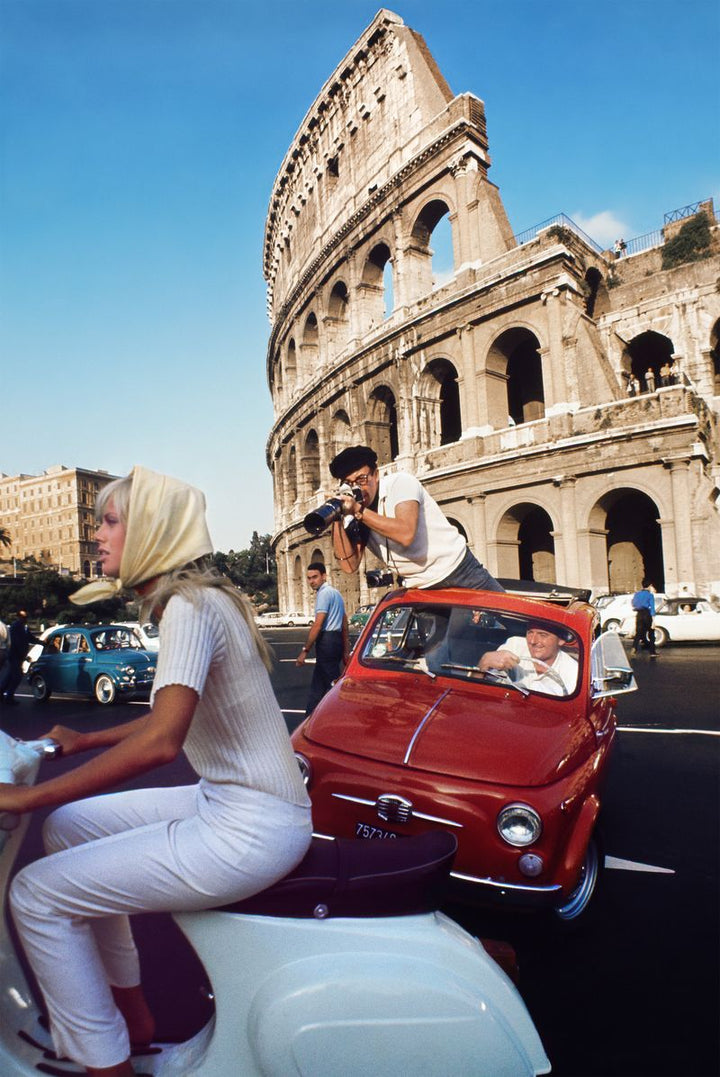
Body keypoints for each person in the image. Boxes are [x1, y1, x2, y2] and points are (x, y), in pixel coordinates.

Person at [0, 466, 312, 1077]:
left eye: (110, 521)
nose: (97, 536)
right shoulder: (201, 600)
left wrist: (22, 801)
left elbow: (162, 743)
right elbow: (170, 719)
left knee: (34, 896)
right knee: (68, 829)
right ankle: (130, 1016)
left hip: (249, 828)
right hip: (236, 803)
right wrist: (78, 741)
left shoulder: (188, 609)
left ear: (151, 531)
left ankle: (105, 1063)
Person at [328, 445, 503, 592]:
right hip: (420, 587)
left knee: (512, 621)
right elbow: (349, 565)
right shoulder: (355, 512)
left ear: (376, 474)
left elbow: (405, 533)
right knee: (441, 635)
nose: (357, 488)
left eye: (362, 479)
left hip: (459, 570)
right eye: (349, 483)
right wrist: (335, 516)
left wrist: (359, 511)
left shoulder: (401, 483)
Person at [296, 562, 349, 715]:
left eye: (315, 577)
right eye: (309, 578)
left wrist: (305, 650)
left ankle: (343, 716)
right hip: (336, 640)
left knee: (333, 686)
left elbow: (318, 624)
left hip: (327, 641)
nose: (312, 581)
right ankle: (309, 718)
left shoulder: (323, 594)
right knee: (318, 687)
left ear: (324, 576)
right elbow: (344, 622)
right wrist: (345, 649)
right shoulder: (336, 593)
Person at [477, 621, 579, 695]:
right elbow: (484, 683)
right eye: (530, 633)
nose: (533, 641)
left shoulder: (573, 672)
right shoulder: (514, 645)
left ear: (561, 640)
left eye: (543, 635)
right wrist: (485, 661)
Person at [0, 609, 42, 705]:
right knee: (17, 677)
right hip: (15, 655)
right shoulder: (16, 627)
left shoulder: (23, 627)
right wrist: (23, 655)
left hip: (17, 656)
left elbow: (30, 638)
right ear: (19, 617)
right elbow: (16, 643)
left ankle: (2, 692)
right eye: (23, 617)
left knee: (10, 676)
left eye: (26, 617)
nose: (25, 619)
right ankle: (9, 697)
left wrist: (41, 642)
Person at [631, 579, 657, 657]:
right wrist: (653, 620)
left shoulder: (637, 594)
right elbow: (652, 607)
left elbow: (633, 604)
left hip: (639, 614)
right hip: (647, 613)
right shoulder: (650, 595)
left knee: (638, 633)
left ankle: (634, 648)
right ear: (649, 586)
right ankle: (652, 652)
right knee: (651, 633)